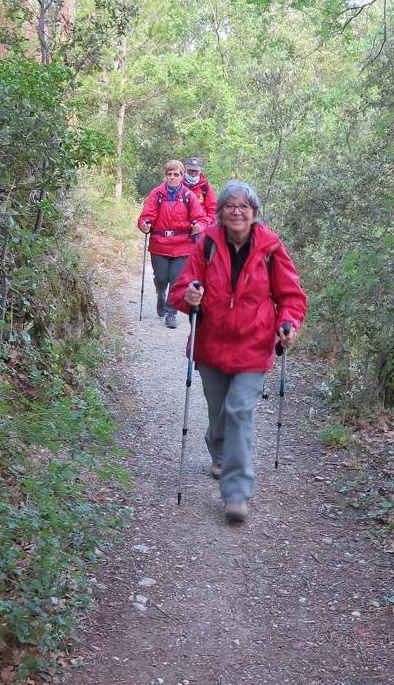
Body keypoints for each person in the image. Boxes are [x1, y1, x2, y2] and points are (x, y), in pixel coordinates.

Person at [169, 181, 307, 523]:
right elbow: (182, 289)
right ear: (220, 213)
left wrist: (287, 324)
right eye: (230, 205)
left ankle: (236, 493)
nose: (237, 211)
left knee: (239, 412)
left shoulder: (271, 249)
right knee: (219, 416)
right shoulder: (206, 245)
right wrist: (189, 297)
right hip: (211, 345)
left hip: (253, 346)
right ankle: (218, 449)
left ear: (254, 213)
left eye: (244, 206)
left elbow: (291, 296)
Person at [138, 159, 206, 328]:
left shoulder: (189, 196)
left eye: (176, 174)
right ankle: (160, 295)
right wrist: (145, 224)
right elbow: (147, 215)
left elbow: (200, 218)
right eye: (169, 174)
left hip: (183, 245)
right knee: (161, 279)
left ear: (182, 176)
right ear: (165, 175)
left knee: (176, 280)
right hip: (160, 244)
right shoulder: (156, 194)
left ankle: (171, 312)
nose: (173, 177)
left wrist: (199, 226)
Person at [182, 156, 217, 227]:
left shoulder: (205, 186)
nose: (193, 173)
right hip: (182, 226)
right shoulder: (178, 184)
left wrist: (205, 222)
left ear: (200, 171)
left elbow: (212, 208)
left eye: (196, 171)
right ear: (186, 169)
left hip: (200, 226)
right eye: (191, 170)